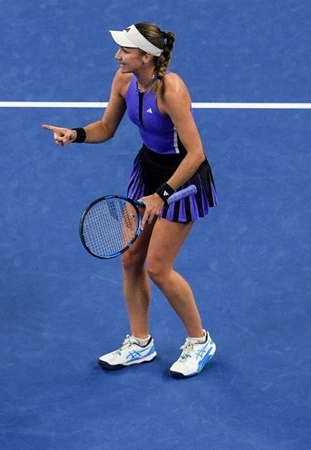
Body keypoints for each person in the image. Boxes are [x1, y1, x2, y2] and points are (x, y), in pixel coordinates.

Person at [43, 22, 218, 378]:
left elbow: (196, 152)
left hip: (181, 180)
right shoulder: (123, 81)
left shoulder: (171, 90)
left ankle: (200, 341)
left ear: (147, 56)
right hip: (148, 171)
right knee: (130, 258)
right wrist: (74, 135)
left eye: (125, 51)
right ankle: (141, 343)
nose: (117, 56)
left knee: (157, 267)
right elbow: (107, 127)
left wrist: (163, 195)